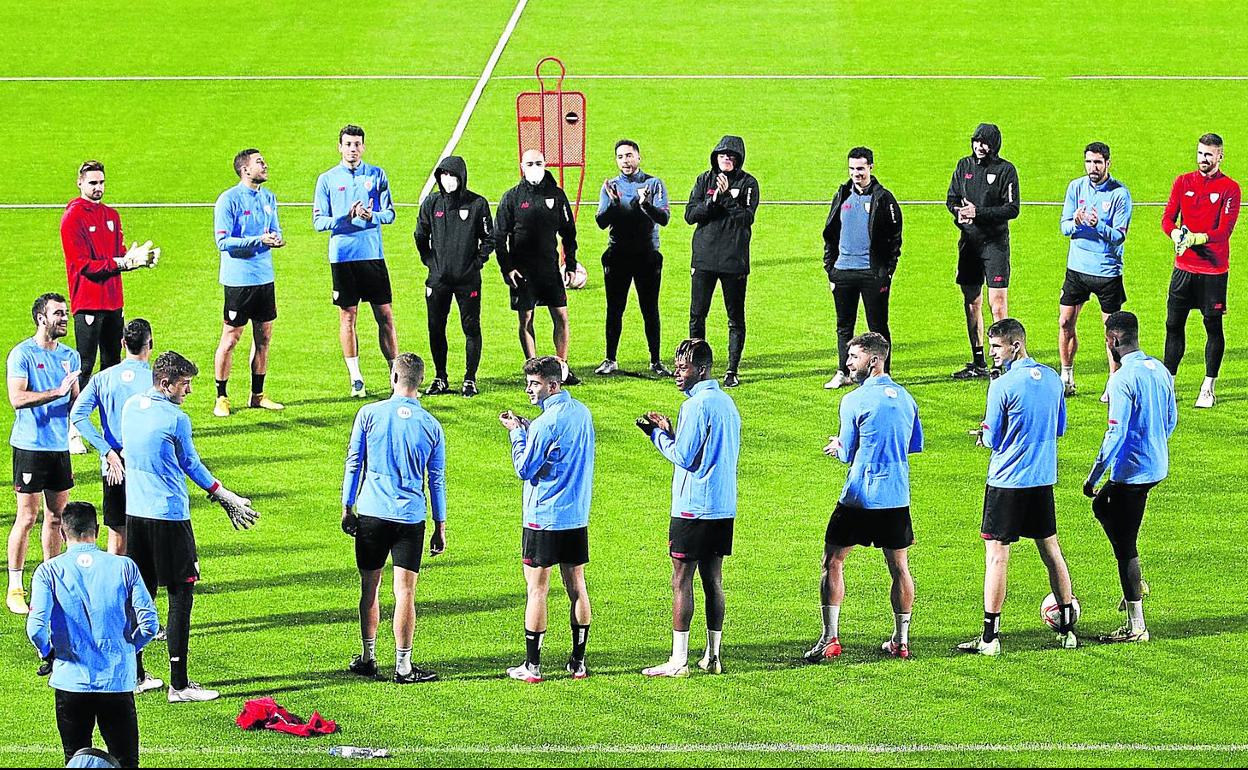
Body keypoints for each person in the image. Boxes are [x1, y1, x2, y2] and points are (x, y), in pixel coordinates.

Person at [120, 351, 258, 702]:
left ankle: (136, 675)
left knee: (141, 594)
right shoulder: (175, 418)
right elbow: (191, 465)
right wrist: (225, 496)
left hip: (135, 516)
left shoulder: (131, 406)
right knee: (181, 595)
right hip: (169, 517)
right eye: (184, 384)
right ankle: (178, 685)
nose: (189, 391)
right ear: (165, 384)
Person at [960, 319, 1077, 655]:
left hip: (1006, 482)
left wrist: (984, 436)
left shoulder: (1003, 386)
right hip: (1042, 480)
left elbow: (994, 437)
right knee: (1051, 550)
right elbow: (1059, 428)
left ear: (1015, 345)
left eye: (996, 347)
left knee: (997, 557)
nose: (992, 354)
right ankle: (1068, 632)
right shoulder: (1053, 378)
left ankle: (989, 638)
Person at [804, 333, 922, 661]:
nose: (848, 363)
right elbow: (912, 445)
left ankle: (830, 638)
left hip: (859, 497)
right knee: (899, 567)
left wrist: (838, 447)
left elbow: (846, 452)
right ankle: (901, 640)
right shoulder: (907, 399)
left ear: (874, 361)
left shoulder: (853, 400)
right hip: (896, 497)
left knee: (833, 561)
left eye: (854, 357)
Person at [26, 501, 158, 768]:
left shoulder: (48, 571)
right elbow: (150, 625)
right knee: (126, 761)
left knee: (74, 760)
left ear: (63, 534)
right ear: (97, 530)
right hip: (117, 680)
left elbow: (35, 628)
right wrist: (129, 648)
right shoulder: (125, 567)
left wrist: (49, 653)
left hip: (70, 682)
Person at [637, 339, 741, 676]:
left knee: (681, 580)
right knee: (713, 580)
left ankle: (678, 660)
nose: (676, 373)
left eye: (683, 368)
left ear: (702, 369)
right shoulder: (727, 403)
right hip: (722, 506)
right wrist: (672, 432)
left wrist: (656, 435)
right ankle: (713, 656)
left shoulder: (696, 406)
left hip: (693, 507)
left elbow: (686, 458)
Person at [342, 354, 447, 683]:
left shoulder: (369, 414)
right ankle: (403, 666)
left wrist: (347, 506)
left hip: (372, 513)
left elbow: (354, 462)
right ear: (419, 382)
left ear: (393, 377)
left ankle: (368, 657)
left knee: (369, 589)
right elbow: (436, 480)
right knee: (405, 593)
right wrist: (440, 525)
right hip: (410, 519)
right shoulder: (431, 426)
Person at [498, 356, 595, 682]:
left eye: (535, 383)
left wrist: (516, 434)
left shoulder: (543, 425)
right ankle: (578, 663)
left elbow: (525, 469)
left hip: (543, 517)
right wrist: (530, 428)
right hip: (576, 516)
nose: (529, 389)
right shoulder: (582, 413)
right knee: (577, 587)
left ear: (553, 385)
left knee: (537, 591)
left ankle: (533, 666)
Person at [1084, 312, 1176, 643]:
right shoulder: (1160, 370)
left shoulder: (1122, 379)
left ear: (1113, 340)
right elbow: (1170, 420)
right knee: (1103, 509)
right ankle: (1133, 584)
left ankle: (1137, 625)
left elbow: (1115, 433)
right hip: (1156, 465)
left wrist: (1093, 476)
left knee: (1125, 546)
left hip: (1132, 473)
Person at [60, 160, 159, 454]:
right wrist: (122, 262)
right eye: (92, 183)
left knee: (114, 366)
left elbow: (117, 258)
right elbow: (85, 266)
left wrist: (136, 260)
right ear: (80, 183)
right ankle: (73, 428)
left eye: (101, 182)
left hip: (114, 302)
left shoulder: (112, 216)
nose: (98, 188)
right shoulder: (73, 218)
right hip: (87, 302)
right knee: (85, 366)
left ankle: (114, 426)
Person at [7, 293, 81, 615]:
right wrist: (56, 393)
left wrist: (79, 401)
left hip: (58, 448)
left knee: (56, 518)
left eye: (65, 313)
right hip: (30, 446)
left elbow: (75, 402)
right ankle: (15, 586)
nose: (65, 319)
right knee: (27, 516)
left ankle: (50, 582)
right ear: (41, 318)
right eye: (58, 314)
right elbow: (17, 398)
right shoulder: (22, 354)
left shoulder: (71, 356)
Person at [313, 125, 399, 398]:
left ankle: (395, 375)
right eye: (348, 144)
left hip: (372, 255)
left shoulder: (377, 175)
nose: (353, 149)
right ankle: (356, 378)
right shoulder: (327, 179)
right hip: (343, 258)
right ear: (339, 147)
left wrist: (371, 216)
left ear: (363, 147)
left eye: (357, 144)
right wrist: (345, 218)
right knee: (348, 317)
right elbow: (318, 222)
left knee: (384, 316)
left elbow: (390, 214)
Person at [1161, 132, 1241, 408]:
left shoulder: (1231, 188)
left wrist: (1195, 238)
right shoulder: (1183, 182)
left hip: (1213, 272)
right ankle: (1168, 382)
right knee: (1173, 325)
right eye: (1200, 154)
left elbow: (1224, 231)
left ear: (1220, 155)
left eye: (1209, 154)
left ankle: (1208, 386)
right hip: (1183, 269)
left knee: (1212, 325)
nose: (1203, 159)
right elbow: (1168, 218)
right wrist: (1174, 234)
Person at [495, 150, 581, 384]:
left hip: (550, 269)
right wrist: (507, 268)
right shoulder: (511, 197)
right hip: (522, 272)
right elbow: (499, 236)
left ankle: (561, 367)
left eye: (539, 163)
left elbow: (569, 233)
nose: (535, 167)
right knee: (526, 320)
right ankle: (533, 371)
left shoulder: (556, 195)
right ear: (522, 166)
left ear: (545, 164)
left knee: (561, 317)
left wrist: (570, 264)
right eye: (530, 163)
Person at [211, 148, 285, 418]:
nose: (265, 165)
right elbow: (222, 242)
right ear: (245, 170)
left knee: (263, 338)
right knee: (231, 338)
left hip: (265, 278)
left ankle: (258, 395)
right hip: (239, 281)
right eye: (259, 162)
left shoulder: (268, 197)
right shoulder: (228, 200)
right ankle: (221, 396)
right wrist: (258, 241)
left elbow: (275, 230)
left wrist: (277, 239)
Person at [70, 319, 154, 556]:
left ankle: (115, 589)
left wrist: (106, 451)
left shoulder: (103, 378)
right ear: (151, 343)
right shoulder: (156, 382)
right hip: (146, 464)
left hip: (113, 465)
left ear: (122, 343)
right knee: (150, 527)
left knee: (117, 532)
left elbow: (78, 416)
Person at [822, 148, 903, 389]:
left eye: (860, 168)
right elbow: (830, 232)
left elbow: (895, 236)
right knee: (843, 326)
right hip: (843, 272)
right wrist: (831, 269)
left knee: (877, 326)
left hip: (872, 273)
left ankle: (883, 374)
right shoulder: (842, 194)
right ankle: (843, 371)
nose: (856, 174)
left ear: (870, 168)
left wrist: (887, 271)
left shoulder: (883, 198)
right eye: (852, 169)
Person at [414, 156, 494, 398]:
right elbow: (420, 235)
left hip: (467, 280)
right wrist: (429, 261)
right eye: (444, 176)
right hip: (438, 280)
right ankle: (440, 377)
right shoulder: (431, 204)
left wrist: (477, 263)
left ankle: (469, 379)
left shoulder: (477, 204)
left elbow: (489, 238)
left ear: (461, 178)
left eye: (452, 176)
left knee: (471, 327)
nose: (448, 180)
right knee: (436, 328)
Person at [1058, 142, 1133, 400]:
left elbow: (1118, 237)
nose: (1093, 168)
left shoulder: (1119, 194)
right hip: (1076, 269)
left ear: (1108, 164)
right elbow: (1064, 227)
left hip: (1107, 272)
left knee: (1112, 331)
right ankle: (1066, 376)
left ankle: (1114, 382)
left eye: (1098, 163)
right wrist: (1076, 221)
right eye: (1089, 162)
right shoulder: (1075, 187)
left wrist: (1097, 224)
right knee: (1065, 322)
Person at [947, 123, 1020, 380]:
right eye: (976, 141)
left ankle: (1002, 364)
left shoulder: (1005, 170)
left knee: (997, 305)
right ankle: (979, 361)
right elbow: (952, 199)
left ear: (994, 145)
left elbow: (1012, 209)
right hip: (969, 244)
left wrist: (978, 212)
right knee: (971, 302)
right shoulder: (963, 166)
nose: (979, 146)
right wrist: (960, 214)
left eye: (984, 142)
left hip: (995, 245)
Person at [594, 139, 672, 377]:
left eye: (629, 156)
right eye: (620, 157)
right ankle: (610, 359)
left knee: (650, 309)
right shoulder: (610, 186)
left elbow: (664, 218)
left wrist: (646, 204)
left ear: (638, 157)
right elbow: (601, 222)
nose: (625, 161)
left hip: (647, 256)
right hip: (617, 256)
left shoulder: (654, 183)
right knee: (615, 309)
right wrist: (615, 203)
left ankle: (656, 361)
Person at [685, 136, 759, 388]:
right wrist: (712, 200)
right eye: (722, 155)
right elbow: (690, 215)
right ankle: (696, 368)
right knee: (697, 315)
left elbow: (746, 218)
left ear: (738, 158)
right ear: (715, 157)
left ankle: (732, 370)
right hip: (704, 259)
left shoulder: (748, 183)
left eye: (731, 155)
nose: (726, 158)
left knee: (735, 317)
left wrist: (726, 197)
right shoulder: (704, 180)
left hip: (734, 262)